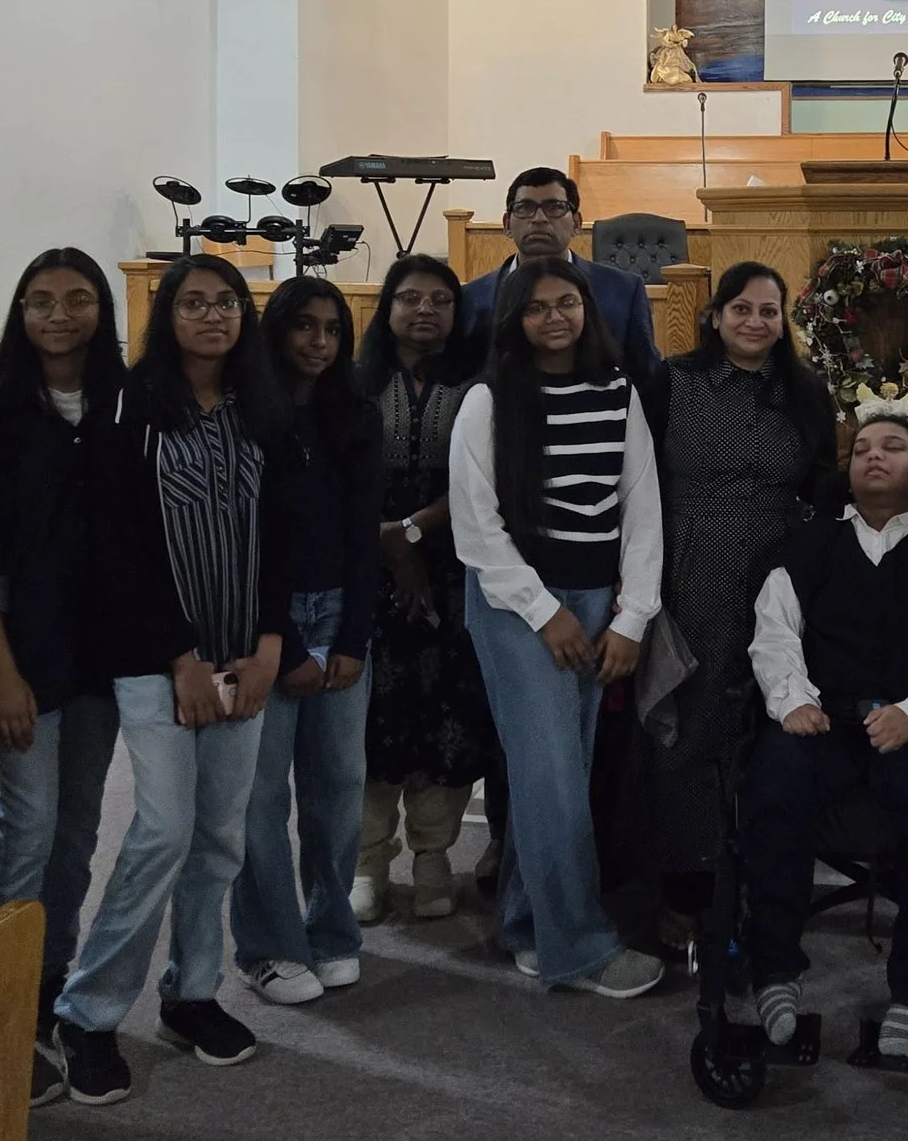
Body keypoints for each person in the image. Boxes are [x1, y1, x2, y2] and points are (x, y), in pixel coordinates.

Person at [53, 255, 291, 1106]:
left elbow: (282, 537)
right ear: (167, 314)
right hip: (160, 661)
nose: (212, 315)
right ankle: (86, 1010)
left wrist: (268, 646)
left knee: (222, 836)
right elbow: (117, 550)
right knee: (163, 830)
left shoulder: (263, 408)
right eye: (193, 302)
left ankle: (192, 993)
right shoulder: (129, 411)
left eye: (226, 301)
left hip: (246, 655)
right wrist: (178, 657)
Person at [449, 261, 667, 1000]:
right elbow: (477, 530)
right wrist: (546, 611)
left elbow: (641, 510)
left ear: (587, 309)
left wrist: (632, 614)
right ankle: (577, 945)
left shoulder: (617, 392)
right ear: (514, 319)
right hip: (518, 604)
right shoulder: (488, 399)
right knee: (549, 777)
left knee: (561, 774)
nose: (554, 317)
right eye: (537, 307)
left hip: (597, 597)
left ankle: (524, 924)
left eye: (566, 302)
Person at [741, 400, 908, 1065]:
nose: (873, 453)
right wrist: (791, 702)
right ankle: (776, 970)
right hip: (824, 713)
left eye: (893, 446)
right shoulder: (808, 543)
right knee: (773, 784)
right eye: (862, 446)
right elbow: (775, 632)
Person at [0, 247, 127, 1106]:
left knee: (79, 828)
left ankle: (47, 986)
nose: (60, 314)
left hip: (102, 655)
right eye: (41, 300)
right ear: (19, 313)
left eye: (79, 298)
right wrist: (1, 670)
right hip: (20, 656)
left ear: (104, 308)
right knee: (28, 824)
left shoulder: (128, 406)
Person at [640, 261, 836, 936]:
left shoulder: (807, 392)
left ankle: (765, 872)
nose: (755, 321)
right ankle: (688, 880)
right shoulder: (674, 381)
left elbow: (821, 487)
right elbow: (639, 481)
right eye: (742, 308)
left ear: (785, 322)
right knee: (692, 714)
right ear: (715, 315)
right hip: (690, 561)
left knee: (765, 714)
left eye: (769, 311)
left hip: (778, 568)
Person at [231, 277, 383, 1006]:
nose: (318, 342)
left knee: (339, 788)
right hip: (263, 625)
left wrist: (352, 632)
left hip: (341, 615)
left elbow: (363, 534)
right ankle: (268, 944)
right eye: (303, 326)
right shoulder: (246, 417)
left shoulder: (354, 414)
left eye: (331, 329)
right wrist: (285, 642)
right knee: (259, 798)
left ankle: (331, 932)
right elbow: (248, 544)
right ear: (277, 331)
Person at [353, 254, 495, 923]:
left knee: (447, 710)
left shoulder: (479, 385)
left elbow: (483, 483)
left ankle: (434, 855)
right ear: (387, 307)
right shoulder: (354, 383)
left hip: (454, 566)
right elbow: (330, 482)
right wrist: (385, 539)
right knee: (370, 713)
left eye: (441, 299)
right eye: (409, 297)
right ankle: (367, 859)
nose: (425, 310)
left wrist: (409, 533)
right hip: (363, 566)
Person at [458, 167, 661, 375]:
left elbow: (646, 376)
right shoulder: (473, 297)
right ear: (507, 224)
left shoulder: (624, 291)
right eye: (524, 207)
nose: (539, 219)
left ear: (576, 223)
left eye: (554, 207)